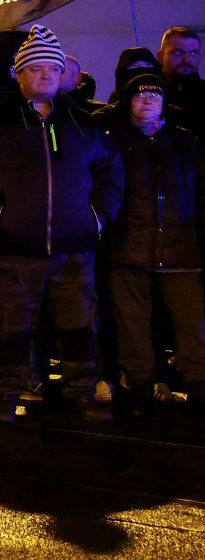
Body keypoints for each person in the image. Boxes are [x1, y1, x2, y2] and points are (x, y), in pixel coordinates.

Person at [0, 25, 123, 424]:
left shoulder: (84, 124)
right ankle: (4, 398)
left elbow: (110, 173)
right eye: (35, 69)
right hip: (17, 248)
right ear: (19, 75)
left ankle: (82, 394)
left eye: (52, 69)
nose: (46, 75)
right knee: (10, 328)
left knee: (78, 325)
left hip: (75, 247)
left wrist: (98, 218)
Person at [101, 73, 205, 417]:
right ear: (127, 101)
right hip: (128, 246)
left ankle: (200, 384)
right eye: (140, 95)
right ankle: (141, 385)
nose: (148, 101)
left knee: (191, 321)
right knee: (132, 321)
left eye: (155, 96)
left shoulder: (185, 141)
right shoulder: (112, 139)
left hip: (181, 247)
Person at [157, 25, 203, 130]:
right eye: (177, 52)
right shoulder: (145, 95)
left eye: (193, 53)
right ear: (161, 56)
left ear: (199, 57)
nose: (186, 59)